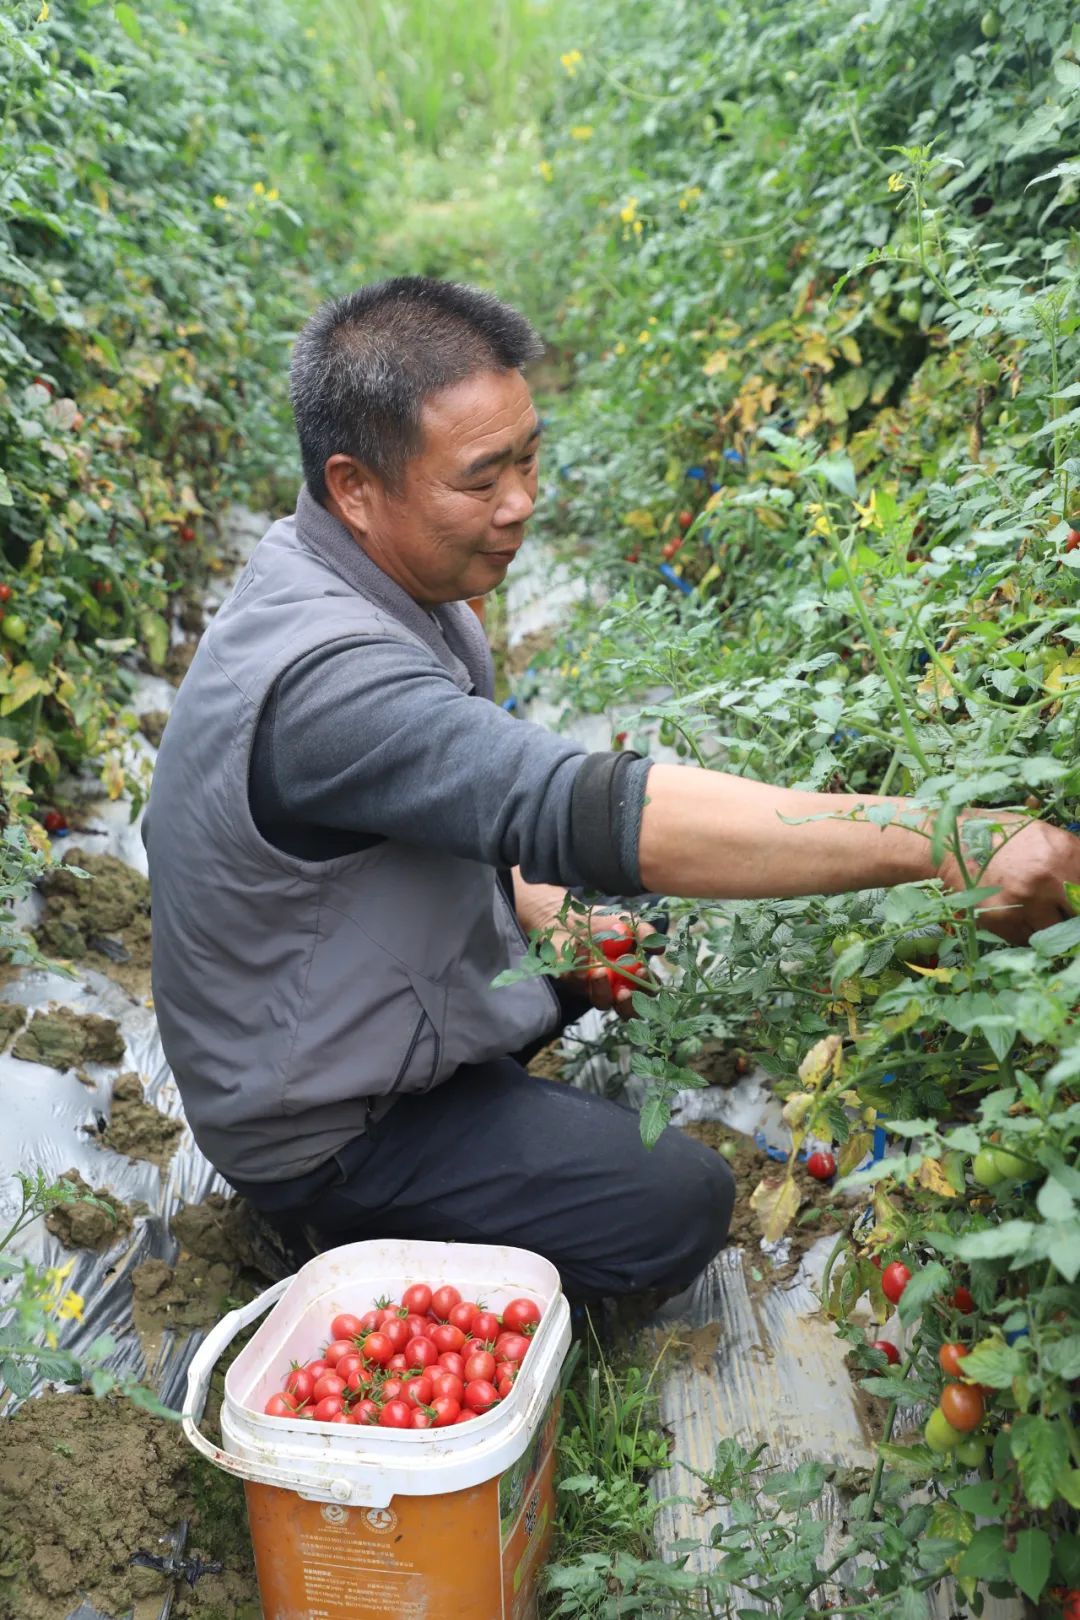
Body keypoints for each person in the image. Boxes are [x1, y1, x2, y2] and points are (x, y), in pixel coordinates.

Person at [143, 276, 1080, 1305]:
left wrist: (532, 902)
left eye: (530, 458)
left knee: (625, 898)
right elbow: (562, 803)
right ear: (355, 486)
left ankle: (497, 1081)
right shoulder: (328, 680)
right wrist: (939, 837)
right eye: (482, 478)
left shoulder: (382, 579)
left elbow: (451, 808)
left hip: (350, 999)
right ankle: (328, 1234)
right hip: (327, 1130)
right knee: (674, 1202)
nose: (521, 505)